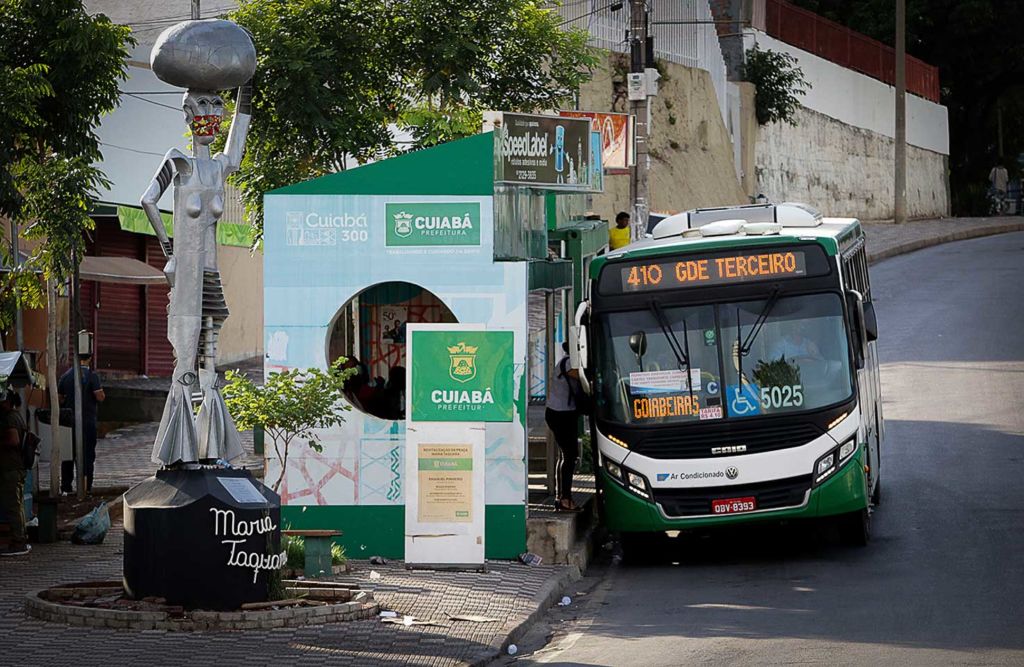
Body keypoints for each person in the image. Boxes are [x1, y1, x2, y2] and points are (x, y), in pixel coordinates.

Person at [57, 354, 105, 494]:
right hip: (87, 422)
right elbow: (99, 396)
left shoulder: (65, 376)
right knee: (87, 456)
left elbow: (59, 398)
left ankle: (66, 487)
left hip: (68, 423)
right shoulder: (92, 376)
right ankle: (85, 487)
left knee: (68, 456)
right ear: (90, 358)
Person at [545, 342, 583, 512]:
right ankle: (564, 498)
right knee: (569, 455)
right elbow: (581, 376)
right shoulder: (568, 363)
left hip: (566, 414)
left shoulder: (568, 362)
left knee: (569, 455)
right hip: (560, 414)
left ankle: (563, 497)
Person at [0, 389, 30, 556]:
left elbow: (13, 440)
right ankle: (20, 537)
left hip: (11, 467)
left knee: (13, 505)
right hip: (15, 467)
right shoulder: (17, 415)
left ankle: (18, 540)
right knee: (16, 505)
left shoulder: (10, 418)